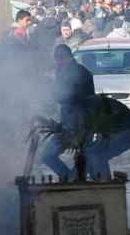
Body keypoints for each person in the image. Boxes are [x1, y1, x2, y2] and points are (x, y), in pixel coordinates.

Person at [40, 44, 95, 177]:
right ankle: (71, 179)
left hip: (80, 125)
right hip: (70, 123)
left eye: (58, 60)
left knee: (50, 155)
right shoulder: (63, 71)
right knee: (50, 155)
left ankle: (73, 180)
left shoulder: (79, 73)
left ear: (64, 58)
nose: (57, 64)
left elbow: (73, 97)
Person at [0, 10, 35, 143]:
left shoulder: (24, 35)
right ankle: (5, 138)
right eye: (27, 20)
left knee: (18, 108)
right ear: (19, 20)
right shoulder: (12, 37)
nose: (29, 23)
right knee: (8, 108)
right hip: (10, 81)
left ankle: (14, 137)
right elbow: (10, 59)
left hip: (20, 80)